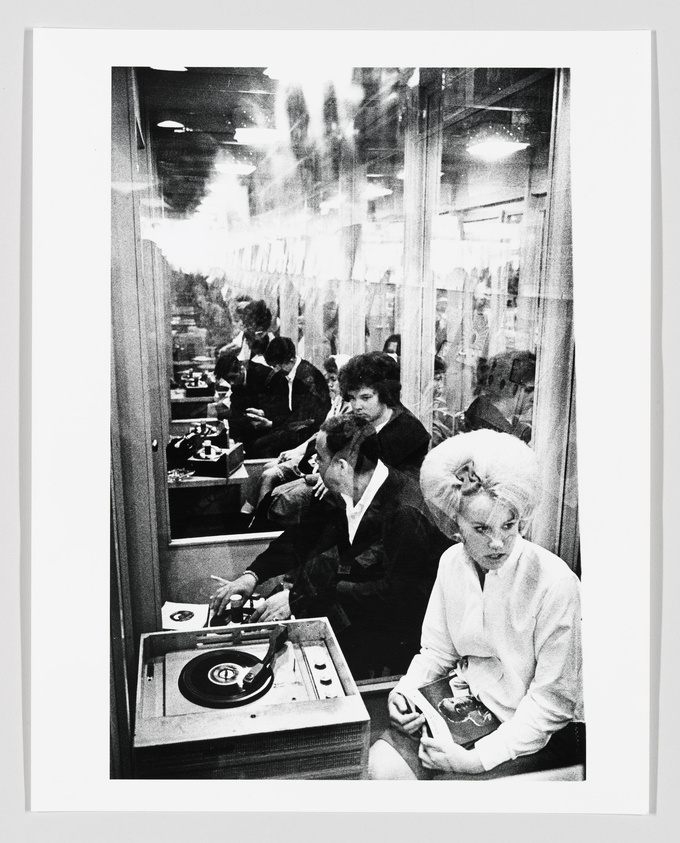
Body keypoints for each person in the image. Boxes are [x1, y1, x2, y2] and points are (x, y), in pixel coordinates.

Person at [369, 429, 584, 779]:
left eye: (509, 526)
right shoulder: (451, 562)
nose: (498, 543)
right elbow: (437, 652)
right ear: (457, 525)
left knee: (450, 797)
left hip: (537, 732)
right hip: (468, 706)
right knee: (383, 766)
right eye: (482, 529)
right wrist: (404, 692)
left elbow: (552, 704)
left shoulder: (555, 583)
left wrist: (474, 760)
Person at [210, 413, 451, 679]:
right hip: (363, 610)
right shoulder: (348, 489)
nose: (315, 467)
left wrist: (299, 598)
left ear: (342, 466)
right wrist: (252, 575)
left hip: (399, 643)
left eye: (319, 459)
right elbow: (304, 536)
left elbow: (396, 594)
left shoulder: (405, 511)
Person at [240, 354, 350, 517]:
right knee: (267, 467)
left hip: (321, 464)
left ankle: (258, 521)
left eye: (334, 380)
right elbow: (319, 433)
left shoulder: (349, 410)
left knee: (269, 474)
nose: (329, 385)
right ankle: (247, 515)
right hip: (314, 455)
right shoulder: (337, 404)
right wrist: (298, 451)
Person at [338, 351, 430, 477]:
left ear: (385, 394)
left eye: (365, 398)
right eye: (352, 398)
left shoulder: (408, 430)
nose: (357, 406)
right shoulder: (353, 420)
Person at [241, 337, 331, 458]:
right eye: (273, 366)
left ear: (291, 359)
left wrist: (272, 424)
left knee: (261, 447)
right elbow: (284, 408)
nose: (276, 369)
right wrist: (264, 414)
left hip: (308, 432)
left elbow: (305, 421)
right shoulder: (287, 374)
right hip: (294, 427)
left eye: (278, 365)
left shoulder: (307, 378)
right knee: (251, 439)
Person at [460, 350, 536, 443]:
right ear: (507, 387)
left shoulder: (487, 414)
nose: (534, 399)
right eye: (529, 390)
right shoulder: (490, 429)